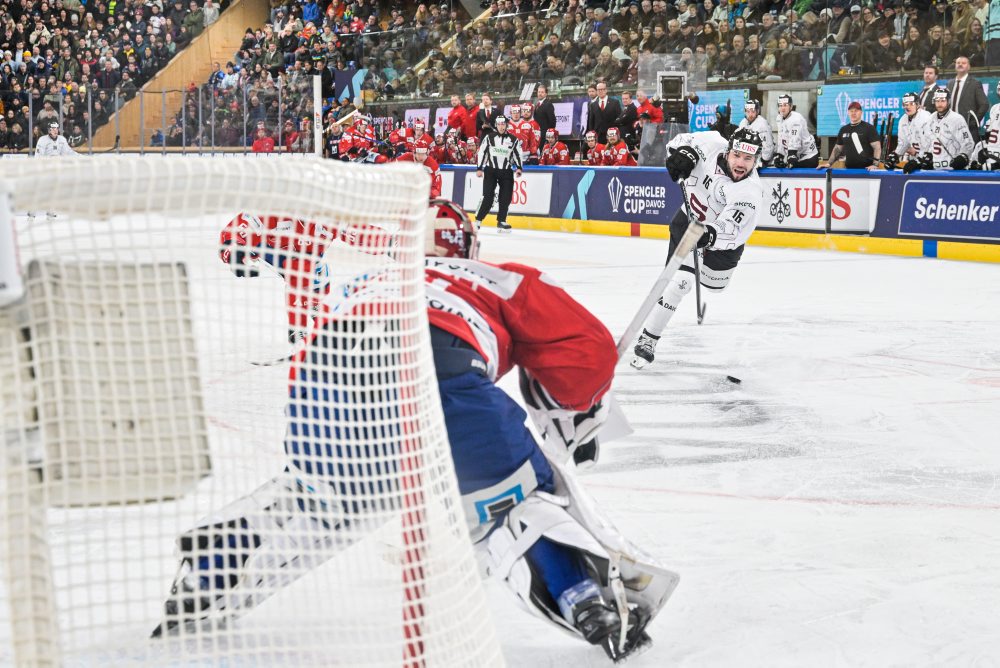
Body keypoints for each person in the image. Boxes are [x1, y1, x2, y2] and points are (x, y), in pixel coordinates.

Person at [153, 204, 676, 662]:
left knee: (327, 499)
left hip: (321, 385)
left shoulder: (372, 278)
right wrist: (579, 416)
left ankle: (215, 561)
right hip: (436, 376)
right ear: (469, 245)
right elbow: (584, 350)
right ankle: (585, 600)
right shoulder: (495, 278)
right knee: (512, 503)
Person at [631, 127, 764, 369]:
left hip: (721, 245)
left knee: (715, 286)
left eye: (748, 159)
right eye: (737, 155)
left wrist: (711, 234)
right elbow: (678, 142)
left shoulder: (750, 190)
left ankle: (703, 271)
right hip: (688, 225)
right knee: (680, 283)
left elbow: (731, 229)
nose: (741, 163)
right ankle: (648, 339)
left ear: (756, 160)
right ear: (728, 151)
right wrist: (686, 153)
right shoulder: (712, 142)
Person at [905, 88, 975, 172]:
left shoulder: (956, 119)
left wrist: (963, 157)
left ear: (948, 101)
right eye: (937, 101)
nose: (939, 104)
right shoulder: (931, 119)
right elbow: (927, 145)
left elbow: (968, 143)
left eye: (942, 100)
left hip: (953, 169)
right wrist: (919, 161)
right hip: (935, 169)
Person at [475, 116, 523, 234]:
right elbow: (482, 152)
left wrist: (519, 168)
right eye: (499, 124)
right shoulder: (489, 137)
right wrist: (480, 168)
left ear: (506, 125)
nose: (501, 126)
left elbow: (518, 154)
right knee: (488, 197)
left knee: (505, 197)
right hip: (491, 170)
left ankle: (501, 221)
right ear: (496, 125)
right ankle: (478, 220)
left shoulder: (513, 139)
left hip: (506, 171)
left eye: (503, 124)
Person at [819, 100, 881, 169]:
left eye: (856, 111)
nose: (853, 113)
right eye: (851, 111)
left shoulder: (869, 128)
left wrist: (875, 165)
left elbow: (877, 147)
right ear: (848, 113)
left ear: (861, 112)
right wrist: (828, 163)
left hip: (866, 170)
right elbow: (837, 149)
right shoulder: (843, 130)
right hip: (849, 170)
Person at [945, 56, 989, 141]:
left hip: (967, 129)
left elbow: (984, 104)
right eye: (958, 63)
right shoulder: (949, 83)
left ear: (969, 67)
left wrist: (974, 122)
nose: (960, 65)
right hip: (949, 128)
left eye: (963, 63)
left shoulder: (975, 83)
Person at [887, 91, 932, 170]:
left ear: (918, 105)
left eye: (911, 104)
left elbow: (929, 144)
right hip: (916, 159)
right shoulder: (903, 120)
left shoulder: (925, 117)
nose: (908, 107)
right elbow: (903, 143)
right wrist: (896, 155)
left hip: (930, 159)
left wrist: (919, 159)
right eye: (905, 104)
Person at [773, 94, 819, 168]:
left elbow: (795, 140)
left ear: (790, 106)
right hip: (798, 156)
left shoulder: (796, 119)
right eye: (780, 105)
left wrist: (791, 154)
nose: (782, 108)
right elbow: (781, 137)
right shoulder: (779, 118)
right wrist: (780, 154)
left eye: (785, 105)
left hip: (809, 157)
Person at [737, 99, 774, 165]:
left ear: (757, 111)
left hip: (759, 162)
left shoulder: (762, 124)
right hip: (747, 161)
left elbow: (768, 145)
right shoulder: (743, 123)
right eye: (748, 112)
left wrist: (763, 161)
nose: (750, 114)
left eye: (753, 111)